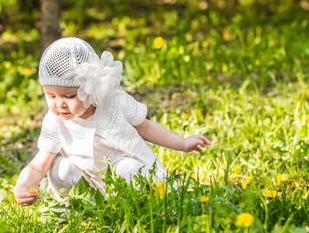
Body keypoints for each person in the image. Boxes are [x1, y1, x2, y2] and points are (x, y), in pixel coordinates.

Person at [14, 37, 211, 206]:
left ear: (90, 87)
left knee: (126, 167)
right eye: (51, 96)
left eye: (69, 96)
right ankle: (80, 210)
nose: (60, 104)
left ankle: (145, 206)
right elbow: (40, 164)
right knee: (59, 169)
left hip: (133, 176)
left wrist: (182, 143)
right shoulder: (55, 121)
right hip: (94, 187)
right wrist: (22, 186)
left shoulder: (115, 102)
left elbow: (147, 128)